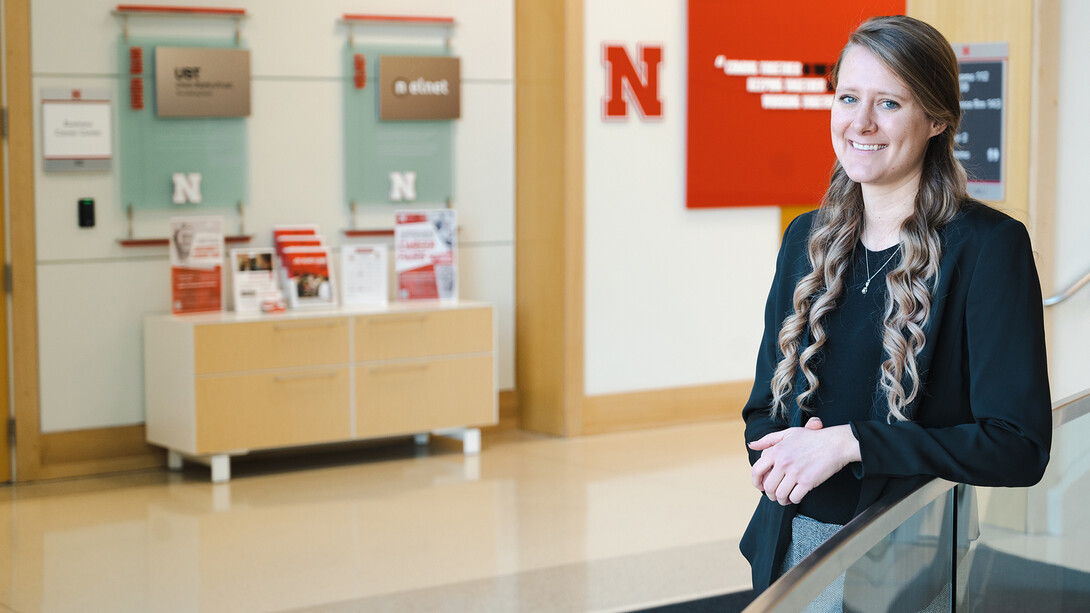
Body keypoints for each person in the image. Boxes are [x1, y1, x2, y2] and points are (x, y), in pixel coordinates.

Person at [739, 14, 1052, 606]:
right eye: (848, 97)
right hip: (789, 548)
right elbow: (762, 407)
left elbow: (1018, 445)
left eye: (888, 103)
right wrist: (781, 456)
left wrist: (853, 443)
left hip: (909, 557)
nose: (860, 122)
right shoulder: (806, 237)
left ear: (936, 120)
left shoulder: (987, 247)